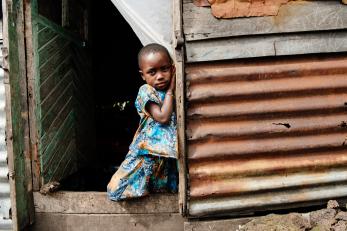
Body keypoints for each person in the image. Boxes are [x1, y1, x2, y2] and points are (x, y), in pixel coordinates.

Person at [107, 43, 178, 201]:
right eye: (152, 72)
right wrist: (169, 91)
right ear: (143, 75)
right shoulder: (146, 90)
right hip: (146, 152)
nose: (159, 76)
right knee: (116, 189)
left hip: (167, 156)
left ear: (172, 69)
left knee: (165, 193)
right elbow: (162, 117)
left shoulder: (176, 91)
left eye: (164, 69)